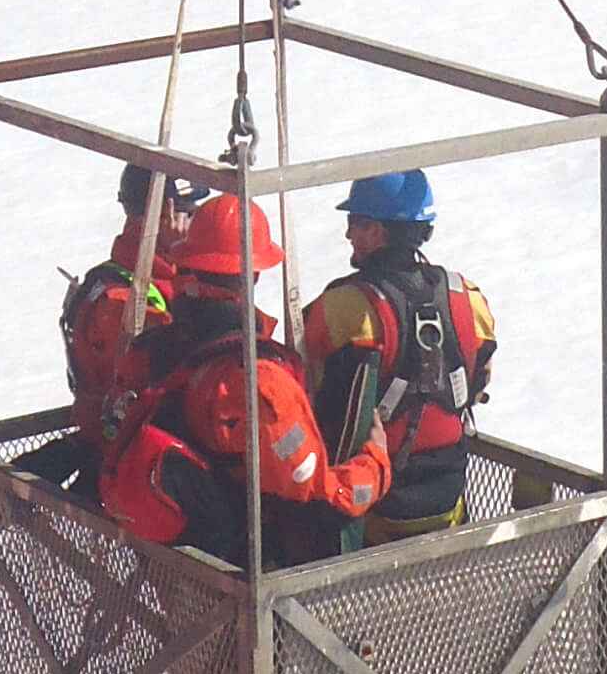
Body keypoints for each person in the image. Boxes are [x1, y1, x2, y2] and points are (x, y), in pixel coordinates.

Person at [102, 192, 391, 567]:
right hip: (243, 571)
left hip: (171, 562)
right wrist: (376, 464)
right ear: (255, 272)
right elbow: (317, 500)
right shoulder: (260, 383)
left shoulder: (150, 349)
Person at [300, 169, 496, 543]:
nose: (347, 234)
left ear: (378, 231)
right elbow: (480, 377)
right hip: (448, 500)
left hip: (371, 505)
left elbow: (304, 383)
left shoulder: (343, 308)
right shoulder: (467, 298)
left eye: (355, 223)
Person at [15, 165, 187, 498]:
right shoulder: (126, 300)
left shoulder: (112, 278)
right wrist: (193, 272)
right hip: (131, 463)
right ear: (167, 211)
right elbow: (185, 362)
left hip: (106, 444)